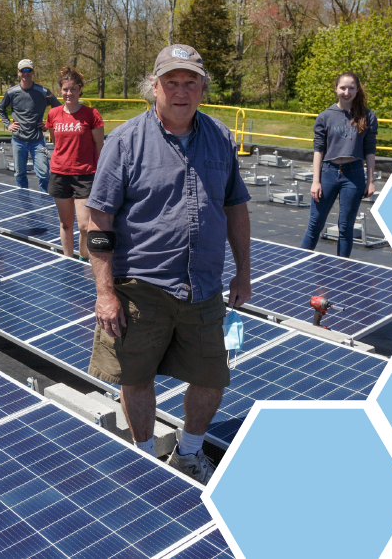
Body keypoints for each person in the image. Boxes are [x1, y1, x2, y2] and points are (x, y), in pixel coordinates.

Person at [86, 44, 251, 484]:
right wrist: (105, 293)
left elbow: (236, 207)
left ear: (201, 88)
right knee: (136, 377)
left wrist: (244, 272)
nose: (181, 92)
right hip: (139, 289)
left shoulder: (220, 138)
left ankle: (189, 452)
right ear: (154, 88)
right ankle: (143, 457)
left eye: (191, 82)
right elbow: (98, 218)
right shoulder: (125, 142)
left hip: (202, 288)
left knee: (212, 376)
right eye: (172, 82)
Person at [300, 72, 378, 257]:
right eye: (343, 87)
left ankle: (343, 269)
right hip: (328, 172)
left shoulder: (367, 116)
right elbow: (318, 150)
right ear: (335, 89)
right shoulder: (325, 116)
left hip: (354, 174)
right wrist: (316, 181)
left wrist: (371, 181)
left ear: (357, 89)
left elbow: (370, 151)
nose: (347, 92)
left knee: (346, 227)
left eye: (351, 88)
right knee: (315, 224)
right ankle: (298, 262)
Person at [44, 66, 104, 260]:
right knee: (65, 224)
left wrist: (102, 173)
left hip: (85, 174)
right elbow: (55, 140)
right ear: (60, 90)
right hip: (60, 173)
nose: (69, 93)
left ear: (80, 90)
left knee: (85, 226)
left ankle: (83, 259)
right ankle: (68, 260)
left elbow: (99, 145)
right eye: (65, 89)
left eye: (73, 89)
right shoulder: (53, 114)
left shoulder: (91, 114)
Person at [0, 58, 60, 192]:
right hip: (18, 140)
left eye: (28, 70)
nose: (26, 73)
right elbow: (1, 109)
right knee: (19, 174)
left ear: (32, 72)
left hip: (37, 140)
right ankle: (23, 199)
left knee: (44, 174)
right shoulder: (11, 92)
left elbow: (59, 109)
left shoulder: (43, 91)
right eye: (23, 70)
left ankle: (46, 200)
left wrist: (49, 124)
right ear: (19, 73)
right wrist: (8, 124)